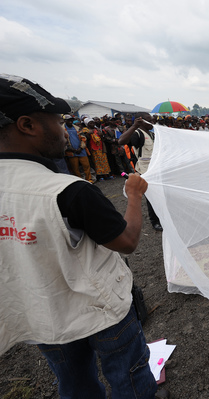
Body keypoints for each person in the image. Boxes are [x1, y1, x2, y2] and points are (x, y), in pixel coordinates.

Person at [0, 74, 158, 398]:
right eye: (56, 120)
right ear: (27, 125)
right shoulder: (67, 191)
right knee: (129, 374)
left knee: (74, 382)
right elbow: (126, 241)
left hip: (44, 315)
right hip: (100, 311)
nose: (63, 129)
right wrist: (134, 196)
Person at [118, 112, 163, 231]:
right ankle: (155, 221)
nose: (152, 122)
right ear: (141, 121)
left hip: (155, 169)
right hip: (145, 170)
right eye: (149, 120)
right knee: (151, 196)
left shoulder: (151, 134)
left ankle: (161, 217)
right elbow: (121, 141)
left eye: (152, 120)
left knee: (160, 194)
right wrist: (134, 126)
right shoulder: (137, 133)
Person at [64, 114, 93, 182]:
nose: (70, 121)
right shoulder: (62, 129)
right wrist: (71, 149)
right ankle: (79, 181)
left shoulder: (77, 128)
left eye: (71, 120)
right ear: (65, 121)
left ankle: (89, 179)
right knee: (75, 168)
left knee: (86, 166)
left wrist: (81, 147)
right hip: (71, 152)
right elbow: (62, 141)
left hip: (81, 150)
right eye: (69, 120)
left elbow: (83, 138)